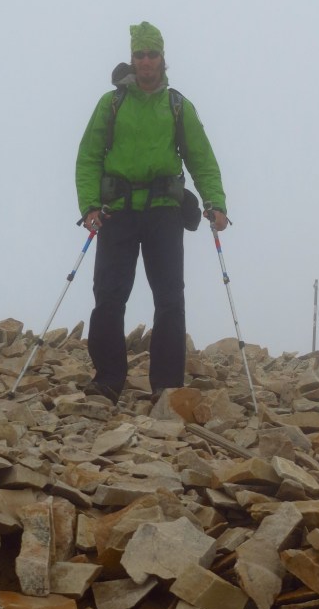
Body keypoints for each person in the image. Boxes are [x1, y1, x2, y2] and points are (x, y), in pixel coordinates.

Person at [75, 21, 228, 404]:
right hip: (118, 211)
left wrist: (216, 201)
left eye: (152, 54)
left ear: (162, 58)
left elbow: (201, 158)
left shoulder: (177, 106)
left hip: (163, 211)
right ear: (132, 58)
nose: (146, 61)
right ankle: (108, 380)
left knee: (169, 299)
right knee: (109, 296)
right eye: (140, 54)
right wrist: (89, 205)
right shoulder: (111, 104)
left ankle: (167, 386)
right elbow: (89, 157)